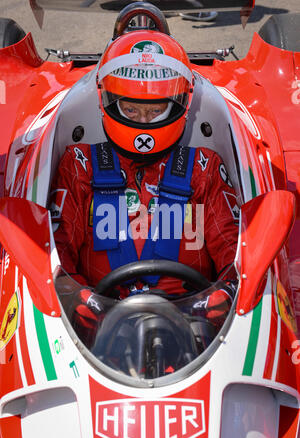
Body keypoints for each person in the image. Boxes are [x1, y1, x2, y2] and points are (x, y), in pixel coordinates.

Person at [50, 30, 238, 346]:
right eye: (131, 109)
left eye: (155, 110)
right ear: (108, 102)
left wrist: (222, 296)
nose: (143, 120)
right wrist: (79, 299)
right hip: (97, 327)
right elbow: (58, 257)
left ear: (179, 104)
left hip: (192, 326)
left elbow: (234, 256)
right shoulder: (79, 164)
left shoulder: (203, 169)